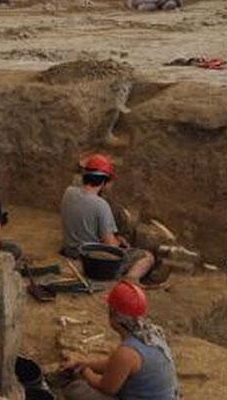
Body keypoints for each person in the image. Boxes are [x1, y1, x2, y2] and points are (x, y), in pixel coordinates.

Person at [60, 281, 179, 400]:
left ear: (113, 314)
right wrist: (83, 362)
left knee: (76, 390)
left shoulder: (127, 352)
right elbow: (115, 366)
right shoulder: (151, 334)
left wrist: (85, 371)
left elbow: (107, 388)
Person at [59, 154, 156, 283]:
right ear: (104, 182)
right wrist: (119, 241)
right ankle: (130, 280)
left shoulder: (69, 192)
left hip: (69, 251)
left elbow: (85, 222)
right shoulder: (101, 205)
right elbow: (111, 246)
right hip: (91, 259)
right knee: (147, 256)